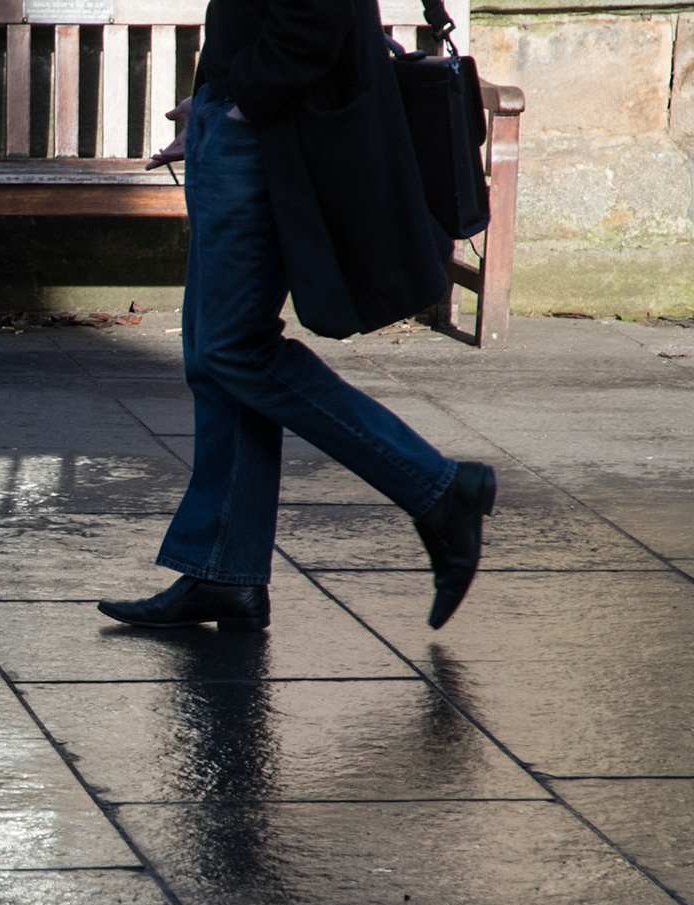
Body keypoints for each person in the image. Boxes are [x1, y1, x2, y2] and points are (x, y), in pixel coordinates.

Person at [98, 0, 495, 634]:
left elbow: (317, 16)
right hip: (239, 120)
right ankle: (225, 573)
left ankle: (440, 489)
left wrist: (242, 103)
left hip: (267, 128)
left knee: (234, 349)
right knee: (215, 353)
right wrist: (211, 101)